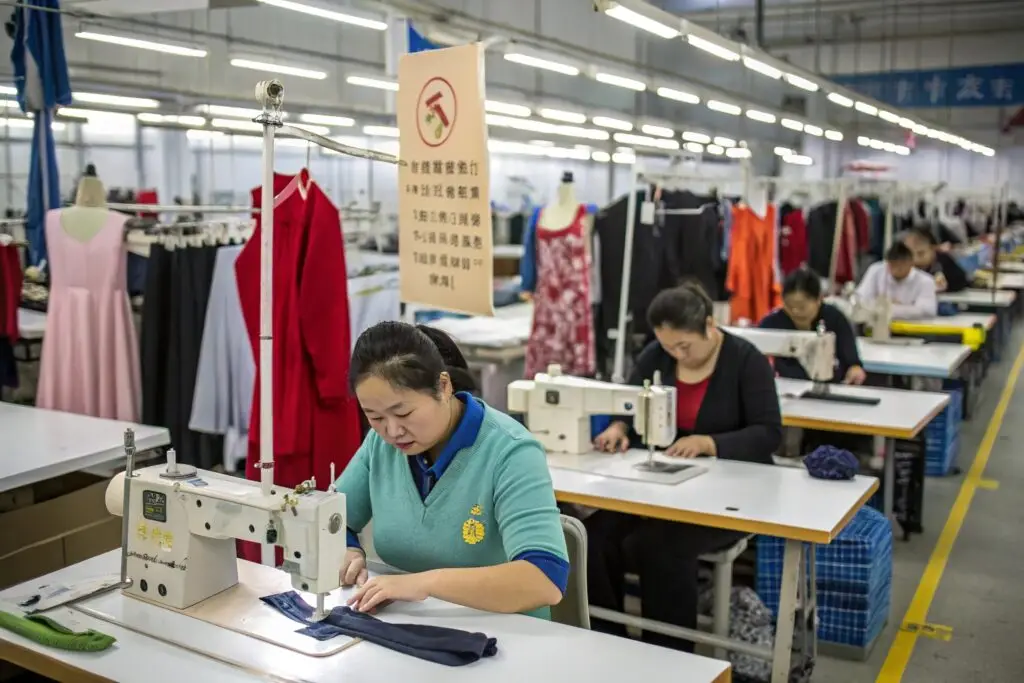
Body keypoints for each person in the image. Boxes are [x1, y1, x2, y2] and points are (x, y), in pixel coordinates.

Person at [586, 282, 782, 651]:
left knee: (657, 547)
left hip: (727, 494)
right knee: (591, 536)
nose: (676, 354)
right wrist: (618, 427)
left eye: (684, 346)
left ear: (709, 325)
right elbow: (628, 401)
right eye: (668, 347)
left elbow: (768, 432)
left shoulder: (745, 360)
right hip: (662, 489)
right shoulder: (656, 357)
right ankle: (609, 642)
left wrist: (709, 443)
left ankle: (668, 657)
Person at [333, 321, 568, 618]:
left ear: (444, 387)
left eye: (403, 413)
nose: (392, 430)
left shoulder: (511, 451)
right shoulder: (380, 446)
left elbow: (544, 580)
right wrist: (348, 549)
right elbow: (332, 519)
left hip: (507, 637)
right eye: (375, 417)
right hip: (415, 628)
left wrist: (425, 583)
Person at [760, 267, 866, 385]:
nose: (795, 311)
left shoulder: (834, 319)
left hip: (833, 389)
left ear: (819, 299)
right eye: (789, 306)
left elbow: (852, 362)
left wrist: (855, 371)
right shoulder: (771, 324)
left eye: (802, 306)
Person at [855, 242, 937, 320]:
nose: (895, 270)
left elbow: (927, 311)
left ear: (910, 263)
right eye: (892, 266)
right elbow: (861, 301)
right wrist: (906, 308)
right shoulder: (876, 270)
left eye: (900, 266)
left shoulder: (926, 281)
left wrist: (888, 307)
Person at [903, 227, 970, 293]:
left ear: (933, 249)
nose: (915, 259)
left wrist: (947, 283)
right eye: (910, 254)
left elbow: (962, 280)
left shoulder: (944, 261)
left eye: (921, 253)